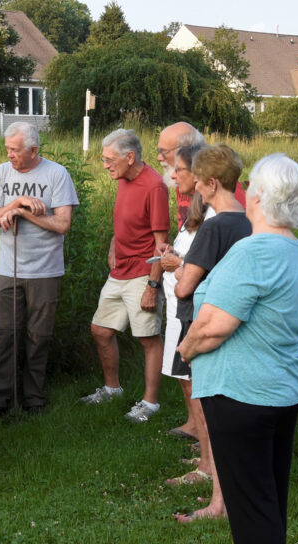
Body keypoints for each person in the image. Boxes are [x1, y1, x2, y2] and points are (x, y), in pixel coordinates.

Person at [177, 153, 298, 543]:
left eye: (252, 184)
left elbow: (213, 329)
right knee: (267, 500)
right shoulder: (293, 248)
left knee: (251, 511)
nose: (246, 189)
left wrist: (185, 350)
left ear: (261, 196)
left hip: (242, 394)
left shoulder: (254, 252)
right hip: (280, 390)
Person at [168, 144, 250, 519]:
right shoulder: (250, 221)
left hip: (200, 321)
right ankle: (214, 470)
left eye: (200, 182)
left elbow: (186, 286)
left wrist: (177, 268)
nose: (196, 188)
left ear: (213, 182)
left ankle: (216, 484)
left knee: (209, 403)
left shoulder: (215, 226)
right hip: (235, 323)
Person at [0, 122, 79, 416]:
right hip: (7, 271)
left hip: (45, 271)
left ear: (33, 150)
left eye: (15, 150)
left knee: (39, 336)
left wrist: (23, 214)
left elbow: (63, 224)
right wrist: (17, 203)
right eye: (7, 149)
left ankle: (33, 399)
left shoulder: (56, 174)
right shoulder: (1, 172)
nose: (9, 154)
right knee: (4, 334)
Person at [82, 129, 170, 423]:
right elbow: (122, 219)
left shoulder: (154, 186)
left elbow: (162, 244)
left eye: (109, 159)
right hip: (120, 271)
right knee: (101, 330)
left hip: (144, 273)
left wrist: (152, 286)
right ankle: (112, 388)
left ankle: (150, 403)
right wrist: (112, 245)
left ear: (129, 157)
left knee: (148, 338)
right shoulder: (123, 179)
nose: (105, 165)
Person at [158, 145, 211, 442]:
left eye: (179, 170)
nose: (174, 176)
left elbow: (203, 264)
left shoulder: (212, 214)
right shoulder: (193, 207)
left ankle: (207, 447)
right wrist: (173, 253)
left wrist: (176, 263)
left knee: (192, 373)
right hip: (179, 303)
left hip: (191, 305)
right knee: (182, 371)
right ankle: (195, 425)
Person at [156, 122, 206, 227]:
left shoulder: (220, 186)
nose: (159, 158)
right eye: (159, 151)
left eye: (164, 151)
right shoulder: (183, 180)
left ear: (186, 150)